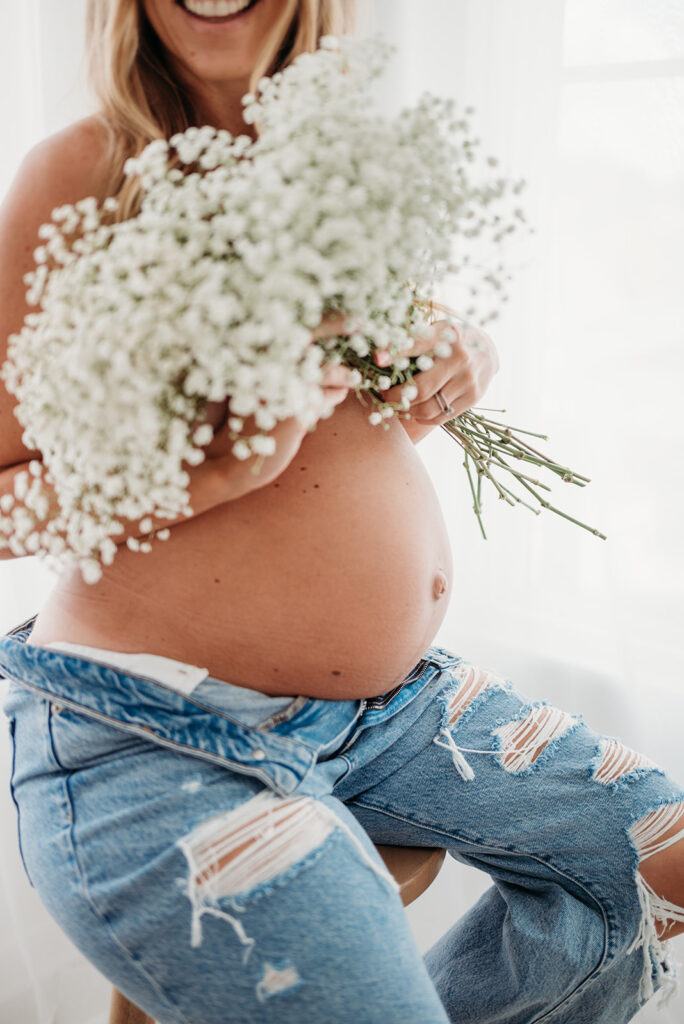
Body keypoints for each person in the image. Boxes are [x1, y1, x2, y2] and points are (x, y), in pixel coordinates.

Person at [0, 1, 683, 1021]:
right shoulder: (87, 174)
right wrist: (207, 475)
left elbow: (339, 430)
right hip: (156, 728)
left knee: (657, 856)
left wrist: (451, 351)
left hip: (385, 715)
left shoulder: (339, 165)